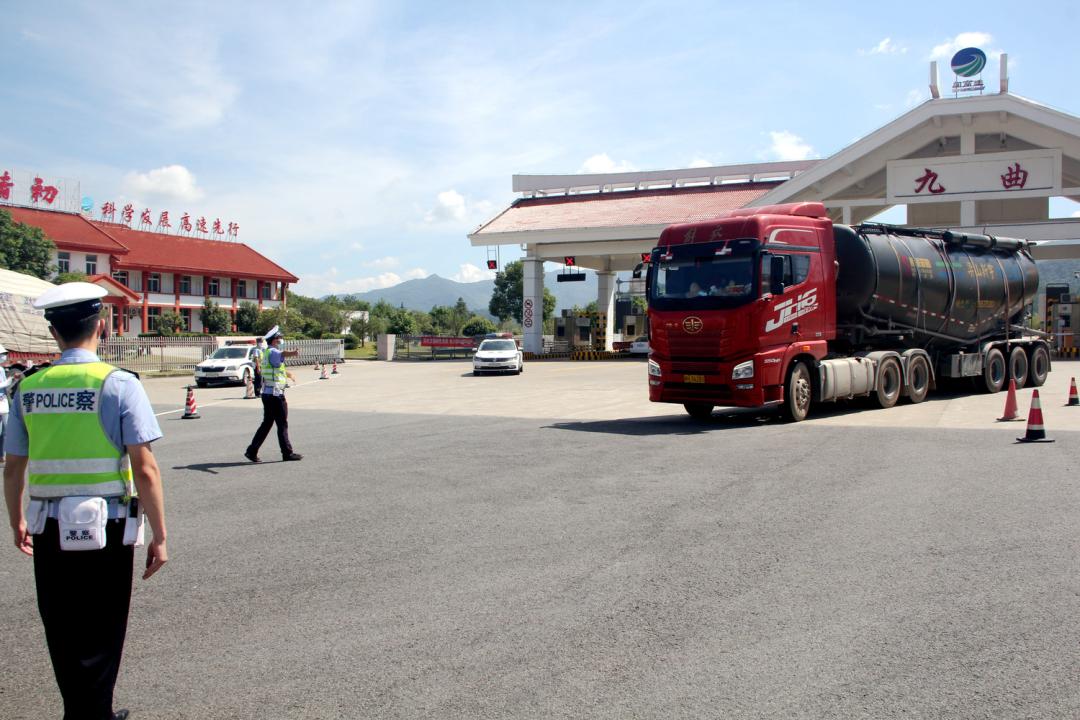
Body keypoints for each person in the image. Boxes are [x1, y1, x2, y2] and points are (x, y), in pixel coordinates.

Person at [3, 282, 168, 720]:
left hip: (48, 526)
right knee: (103, 627)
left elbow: (13, 466)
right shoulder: (119, 384)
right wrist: (160, 535)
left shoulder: (28, 388)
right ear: (101, 326)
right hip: (106, 529)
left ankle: (81, 711)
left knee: (61, 627)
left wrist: (16, 519)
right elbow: (146, 468)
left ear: (53, 333)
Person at [245, 326, 302, 462]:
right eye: (279, 337)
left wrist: (287, 374)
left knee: (267, 424)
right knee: (282, 424)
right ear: (274, 340)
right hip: (276, 395)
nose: (281, 339)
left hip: (267, 393)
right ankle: (287, 453)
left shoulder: (266, 352)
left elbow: (275, 369)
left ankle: (252, 451)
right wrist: (293, 352)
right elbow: (282, 354)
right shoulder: (274, 352)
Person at [0, 343, 10, 468]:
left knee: (5, 431)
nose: (4, 357)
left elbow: (5, 387)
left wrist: (12, 381)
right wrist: (7, 382)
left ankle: (3, 455)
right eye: (2, 354)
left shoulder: (2, 370)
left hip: (3, 403)